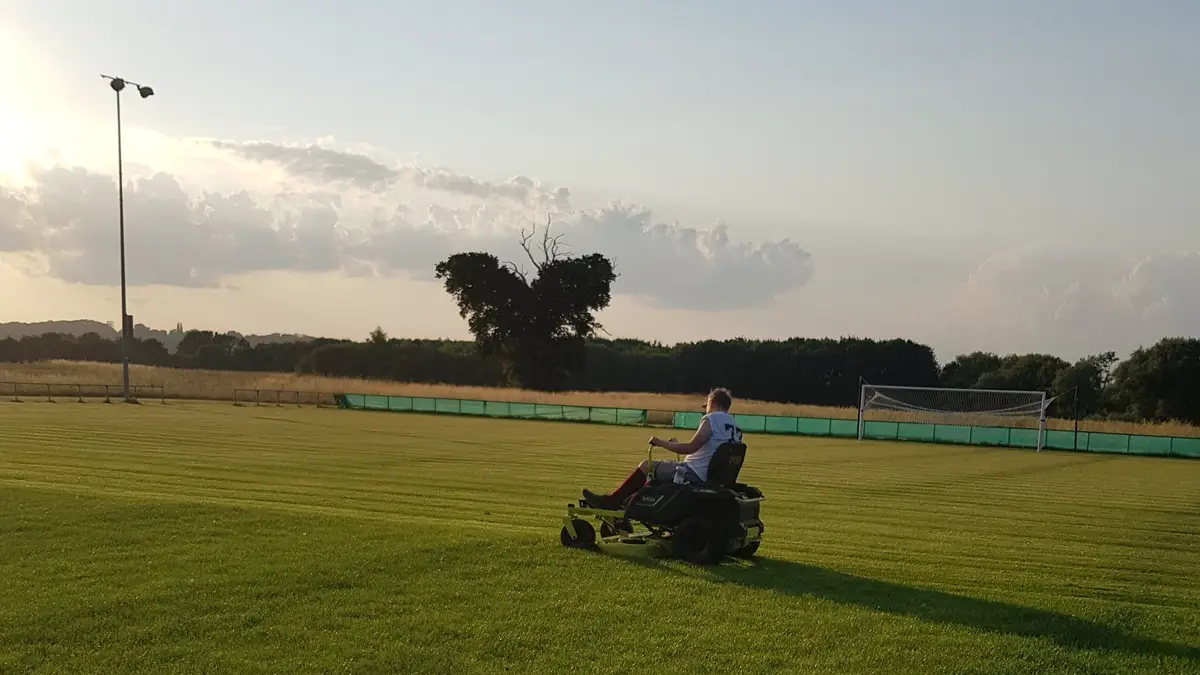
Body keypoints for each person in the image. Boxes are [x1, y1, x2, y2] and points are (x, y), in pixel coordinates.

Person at [582, 387, 743, 510]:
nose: (705, 409)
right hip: (711, 476)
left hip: (694, 472)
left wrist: (661, 443)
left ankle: (613, 501)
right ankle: (629, 503)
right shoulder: (734, 425)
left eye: (706, 405)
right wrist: (675, 443)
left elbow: (690, 448)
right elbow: (710, 449)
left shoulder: (711, 419)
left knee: (647, 465)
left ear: (712, 403)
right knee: (658, 477)